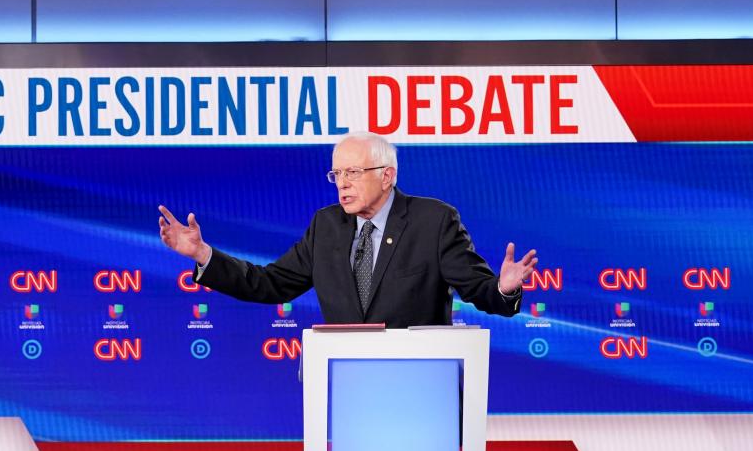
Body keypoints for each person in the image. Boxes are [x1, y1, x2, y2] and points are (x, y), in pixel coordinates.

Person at [157, 132, 537, 327]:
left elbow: (479, 291)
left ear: (387, 176)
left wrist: (503, 288)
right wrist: (203, 256)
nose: (342, 183)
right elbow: (271, 283)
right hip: (347, 379)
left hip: (419, 380)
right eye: (336, 173)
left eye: (353, 172)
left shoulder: (433, 221)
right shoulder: (327, 225)